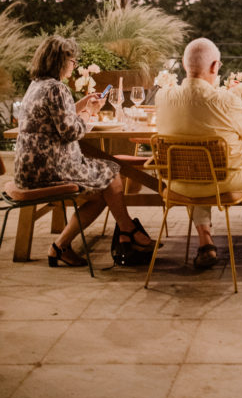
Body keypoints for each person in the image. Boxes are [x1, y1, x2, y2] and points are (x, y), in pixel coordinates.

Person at [14, 35, 154, 268]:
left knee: (103, 189)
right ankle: (127, 230)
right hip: (49, 169)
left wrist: (80, 104)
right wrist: (89, 111)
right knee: (111, 171)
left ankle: (62, 246)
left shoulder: (37, 85)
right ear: (60, 61)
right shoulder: (57, 88)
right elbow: (71, 132)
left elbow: (55, 119)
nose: (74, 65)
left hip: (28, 169)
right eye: (72, 61)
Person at [155, 37, 242, 269]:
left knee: (194, 166)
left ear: (184, 64)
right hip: (226, 182)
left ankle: (205, 242)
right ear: (214, 67)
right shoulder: (225, 99)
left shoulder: (163, 98)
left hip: (178, 182)